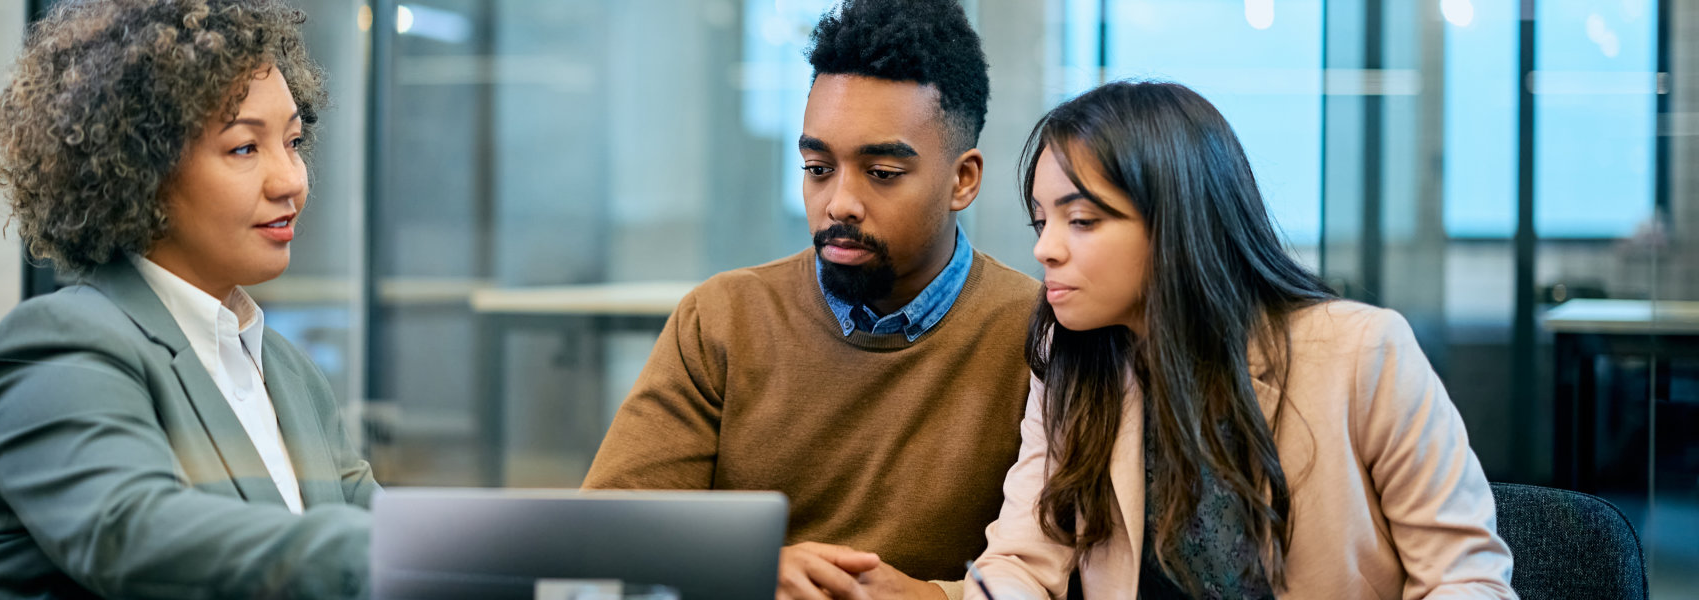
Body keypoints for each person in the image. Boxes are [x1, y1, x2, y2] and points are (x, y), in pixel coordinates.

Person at [967, 81, 1515, 599]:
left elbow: (1467, 578)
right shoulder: (1074, 363)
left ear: (1179, 222)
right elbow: (1019, 560)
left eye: (1081, 220)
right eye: (1042, 222)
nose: (1046, 250)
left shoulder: (1364, 353)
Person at [582, 0, 1039, 598]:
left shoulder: (1038, 333)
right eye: (818, 167)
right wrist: (745, 566)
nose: (839, 203)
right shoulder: (722, 320)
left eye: (880, 172)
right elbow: (608, 532)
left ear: (963, 180)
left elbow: (1068, 568)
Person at [0, 1, 377, 597]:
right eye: (245, 148)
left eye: (294, 142)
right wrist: (384, 555)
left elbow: (378, 523)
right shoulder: (60, 345)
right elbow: (132, 533)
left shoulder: (288, 370)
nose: (292, 181)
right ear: (139, 169)